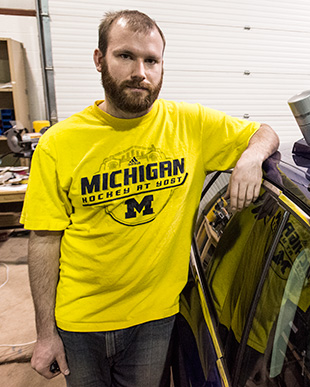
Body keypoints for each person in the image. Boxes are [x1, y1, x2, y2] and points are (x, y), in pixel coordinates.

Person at [20, 9, 279, 386]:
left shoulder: (190, 125)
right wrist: (45, 334)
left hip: (155, 320)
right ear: (99, 59)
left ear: (161, 66)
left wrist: (252, 158)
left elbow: (265, 132)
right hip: (79, 322)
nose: (140, 71)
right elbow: (44, 241)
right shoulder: (59, 143)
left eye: (151, 60)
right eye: (125, 56)